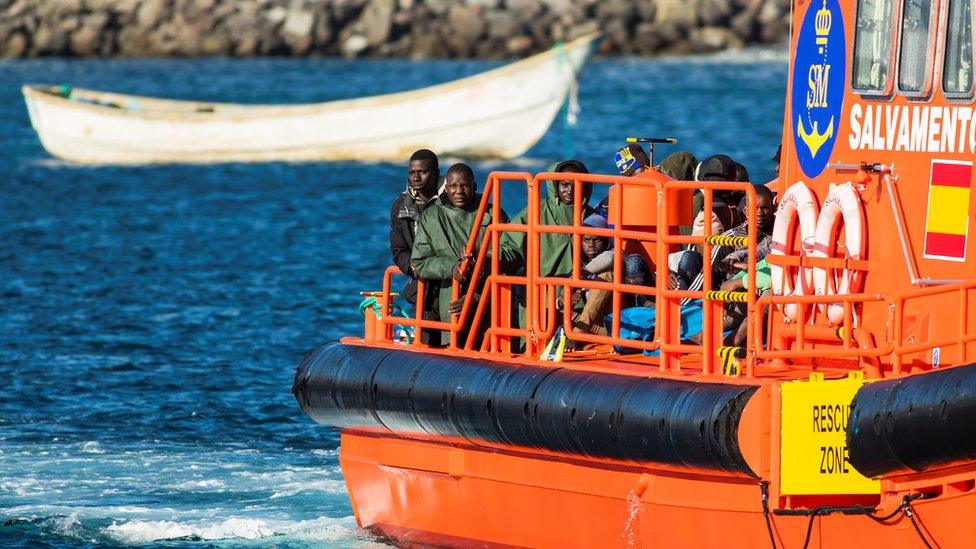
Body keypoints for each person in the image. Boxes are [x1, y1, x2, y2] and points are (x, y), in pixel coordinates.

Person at [410, 163, 509, 346]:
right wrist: (452, 267)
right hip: (452, 303)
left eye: (465, 186)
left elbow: (508, 257)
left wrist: (475, 296)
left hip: (489, 302)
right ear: (446, 188)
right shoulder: (432, 216)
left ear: (474, 187)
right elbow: (419, 262)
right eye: (454, 186)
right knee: (454, 346)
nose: (459, 191)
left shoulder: (492, 214)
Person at [390, 149, 440, 305]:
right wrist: (413, 266)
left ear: (436, 173)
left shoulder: (454, 198)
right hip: (422, 290)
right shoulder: (401, 206)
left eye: (423, 172)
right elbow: (398, 249)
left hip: (454, 284)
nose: (416, 178)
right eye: (412, 173)